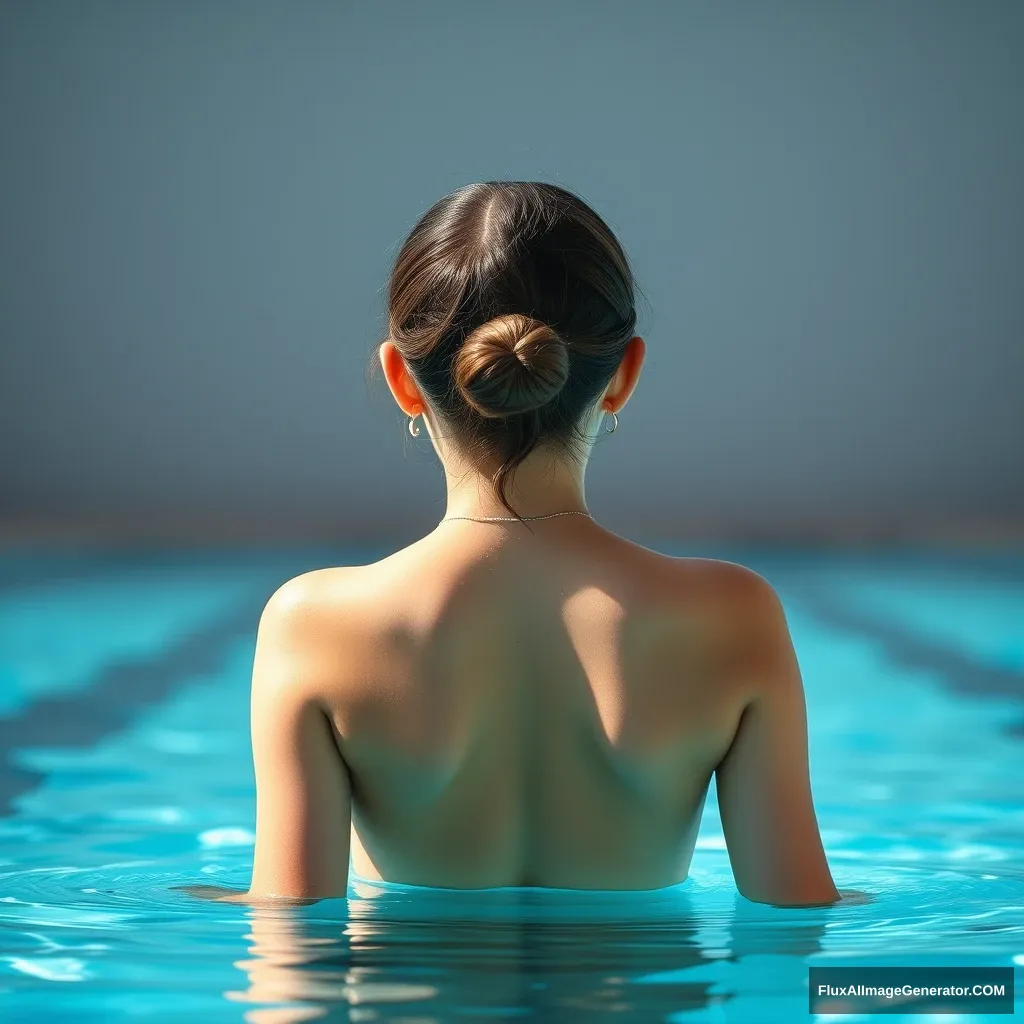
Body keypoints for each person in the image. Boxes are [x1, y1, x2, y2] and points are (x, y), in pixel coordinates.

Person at [217, 181, 840, 907]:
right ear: (624, 376)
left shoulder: (316, 623)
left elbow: (290, 951)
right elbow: (797, 932)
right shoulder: (731, 614)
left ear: (402, 381)